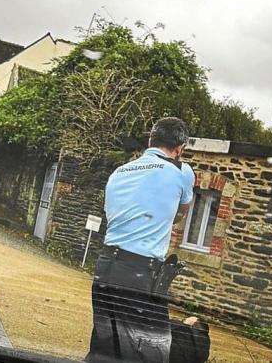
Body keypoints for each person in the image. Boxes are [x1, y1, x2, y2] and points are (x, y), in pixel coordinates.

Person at [86, 117, 195, 363]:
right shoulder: (182, 171)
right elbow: (180, 214)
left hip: (105, 266)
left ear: (150, 142)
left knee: (104, 350)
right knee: (150, 352)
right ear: (180, 149)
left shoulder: (120, 171)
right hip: (139, 273)